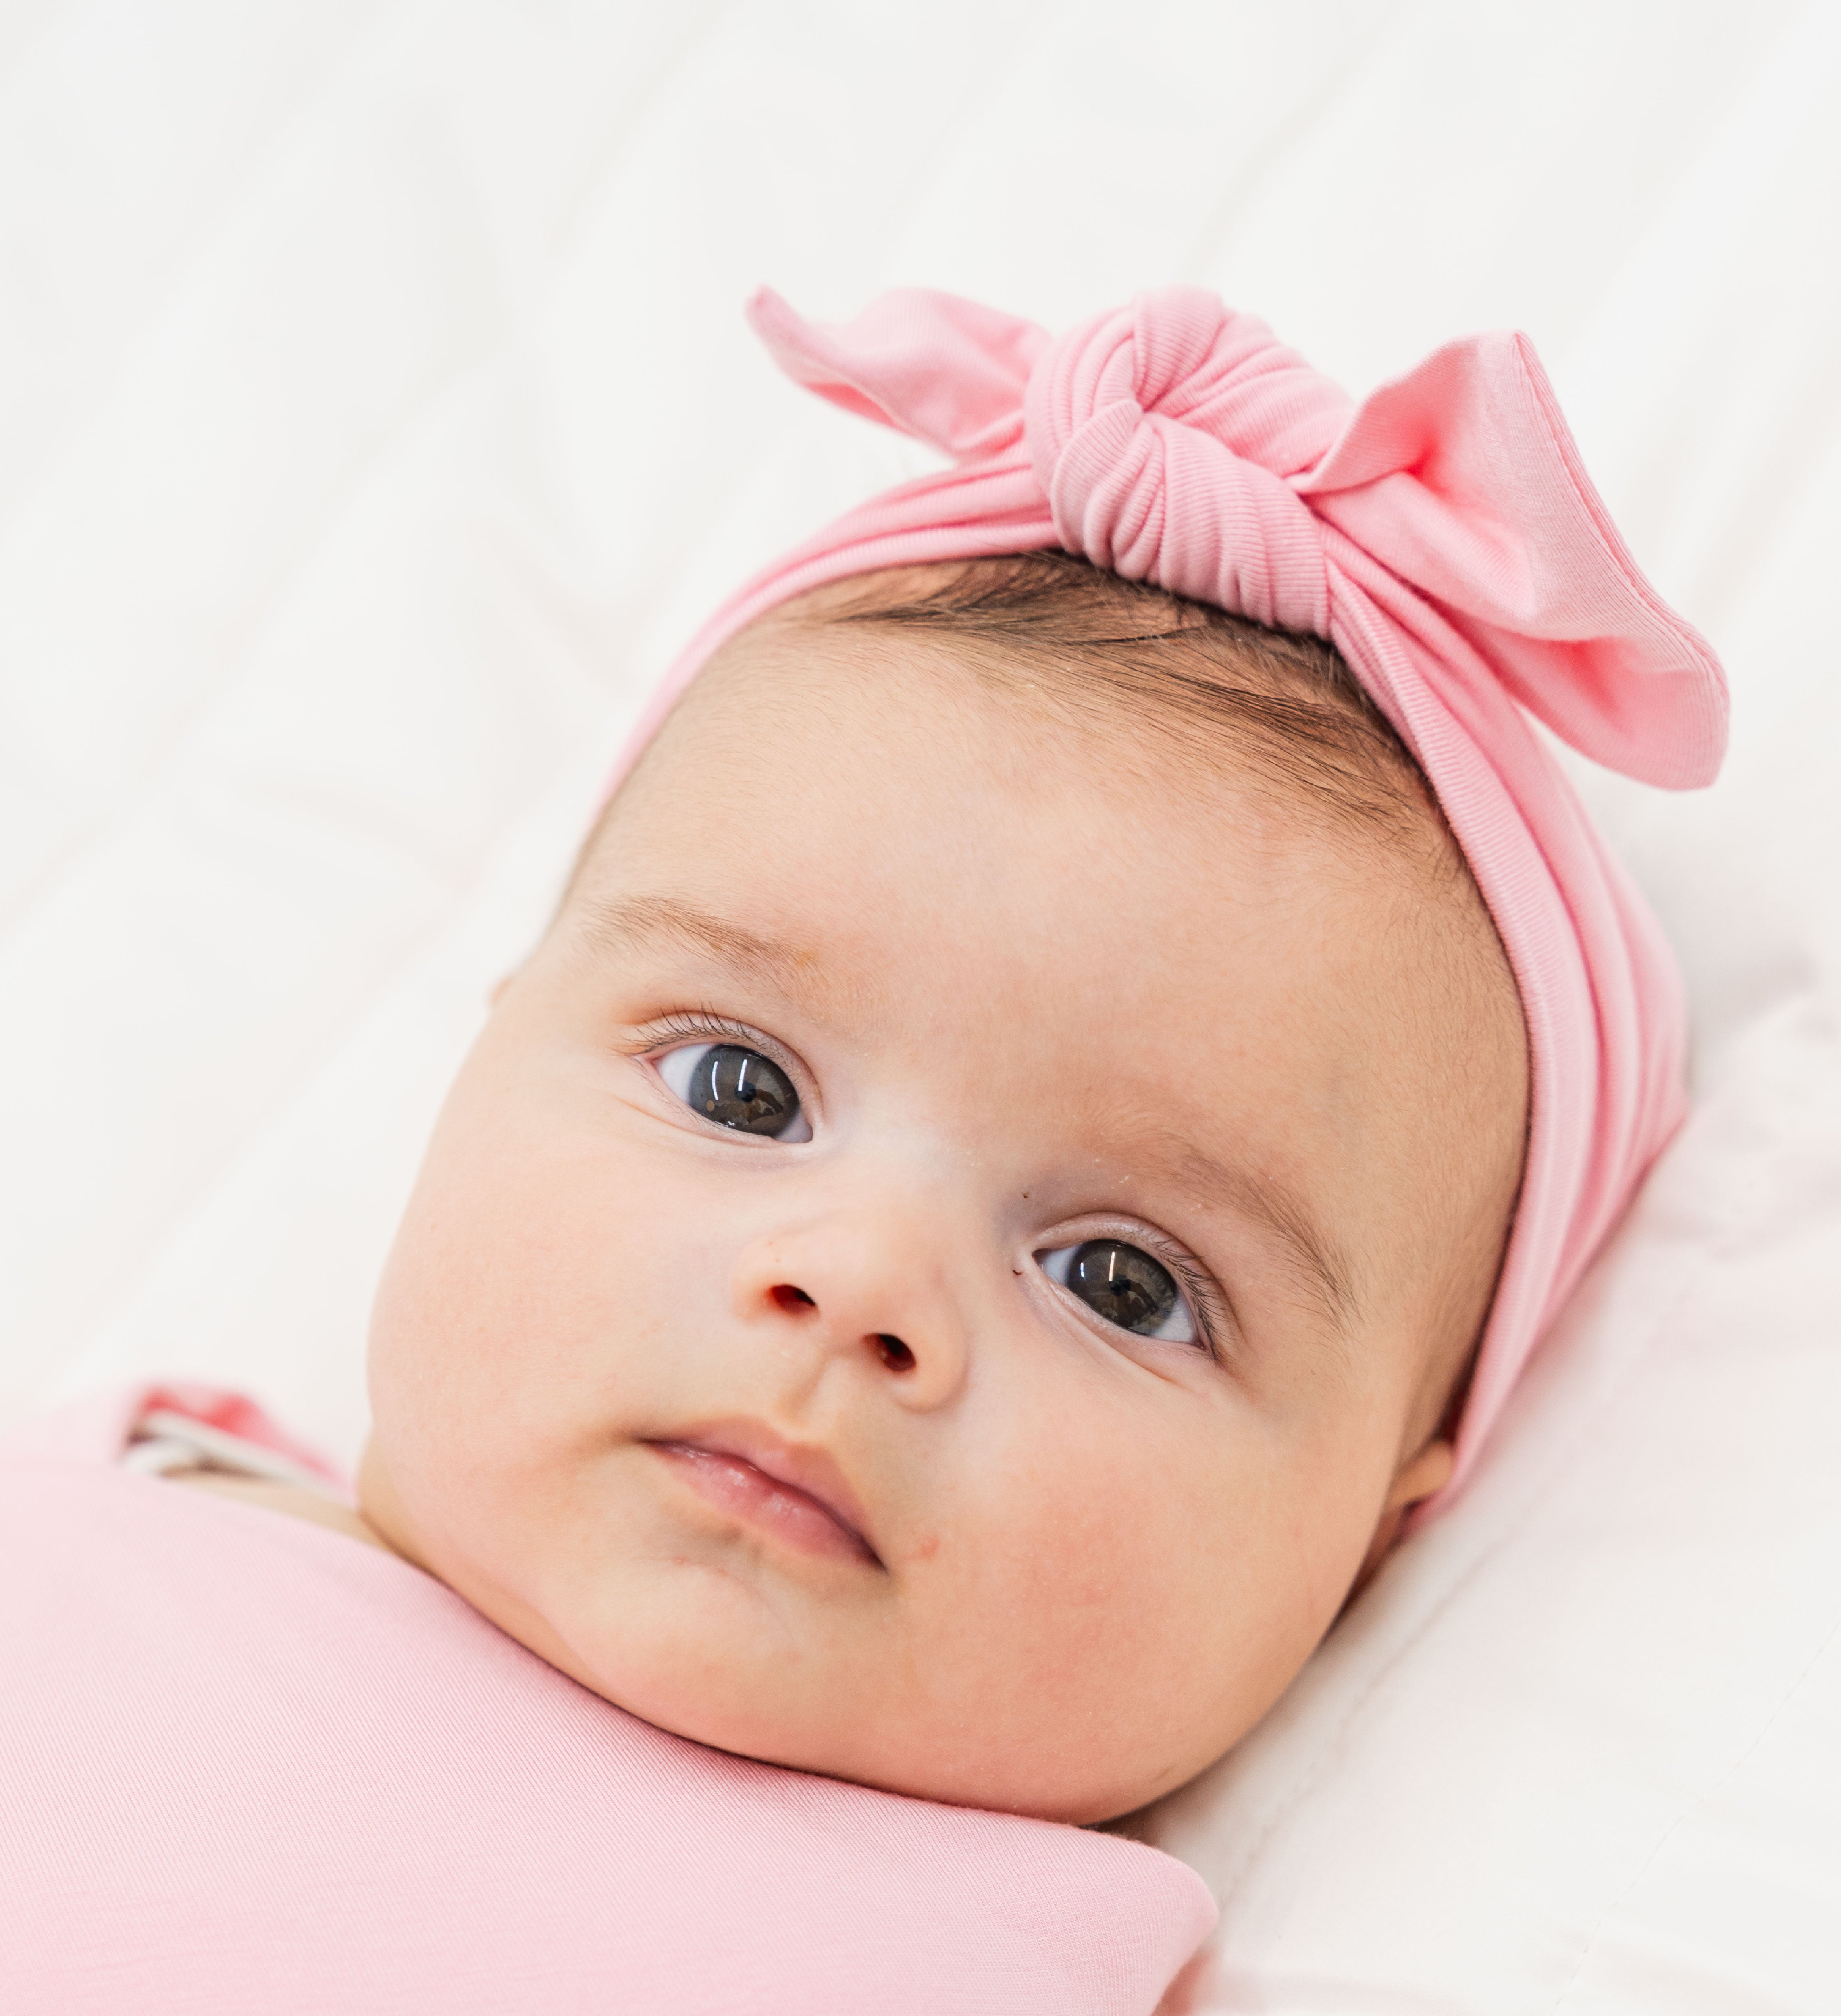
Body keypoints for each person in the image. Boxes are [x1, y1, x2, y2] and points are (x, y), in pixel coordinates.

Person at [2, 285, 1724, 2004]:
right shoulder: (104, 1508)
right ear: (495, 1029)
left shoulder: (1040, 1958)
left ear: (1371, 1530)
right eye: (739, 1088)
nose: (854, 1282)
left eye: (1122, 1282)